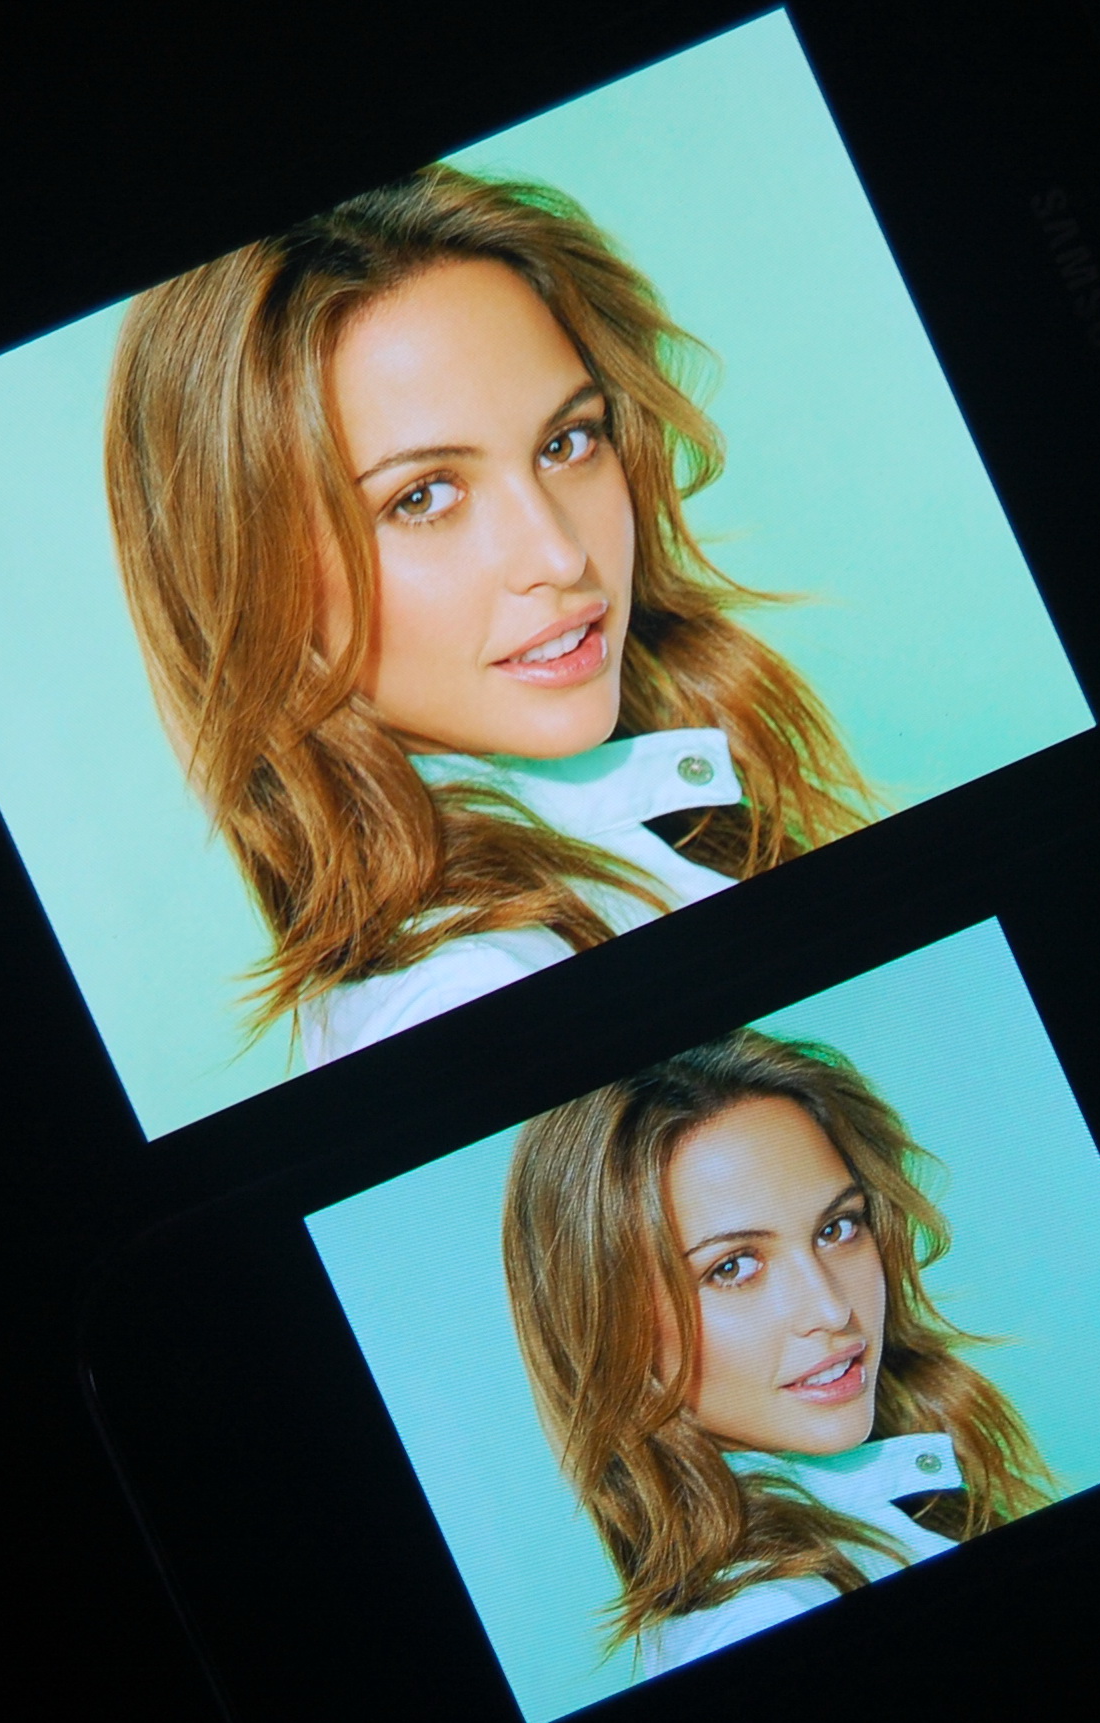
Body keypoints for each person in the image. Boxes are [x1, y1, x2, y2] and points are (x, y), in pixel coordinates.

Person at [105, 166, 870, 1070]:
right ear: (253, 579)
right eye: (422, 497)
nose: (558, 555)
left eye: (566, 442)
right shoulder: (462, 994)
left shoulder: (634, 835)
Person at [503, 1029, 1053, 1675]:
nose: (830, 1309)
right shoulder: (758, 1621)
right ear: (609, 1326)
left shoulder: (889, 1515)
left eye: (837, 1228)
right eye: (733, 1267)